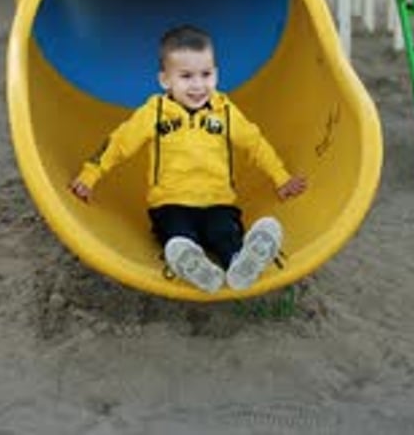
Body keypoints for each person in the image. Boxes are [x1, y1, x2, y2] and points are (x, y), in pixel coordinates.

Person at [70, 25, 307, 294]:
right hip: (170, 202)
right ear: (165, 80)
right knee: (178, 235)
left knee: (224, 232)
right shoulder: (155, 113)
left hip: (218, 200)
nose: (198, 85)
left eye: (206, 74)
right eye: (186, 76)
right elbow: (119, 143)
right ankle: (195, 266)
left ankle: (240, 263)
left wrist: (281, 178)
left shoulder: (224, 112)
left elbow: (255, 144)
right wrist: (91, 174)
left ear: (216, 74)